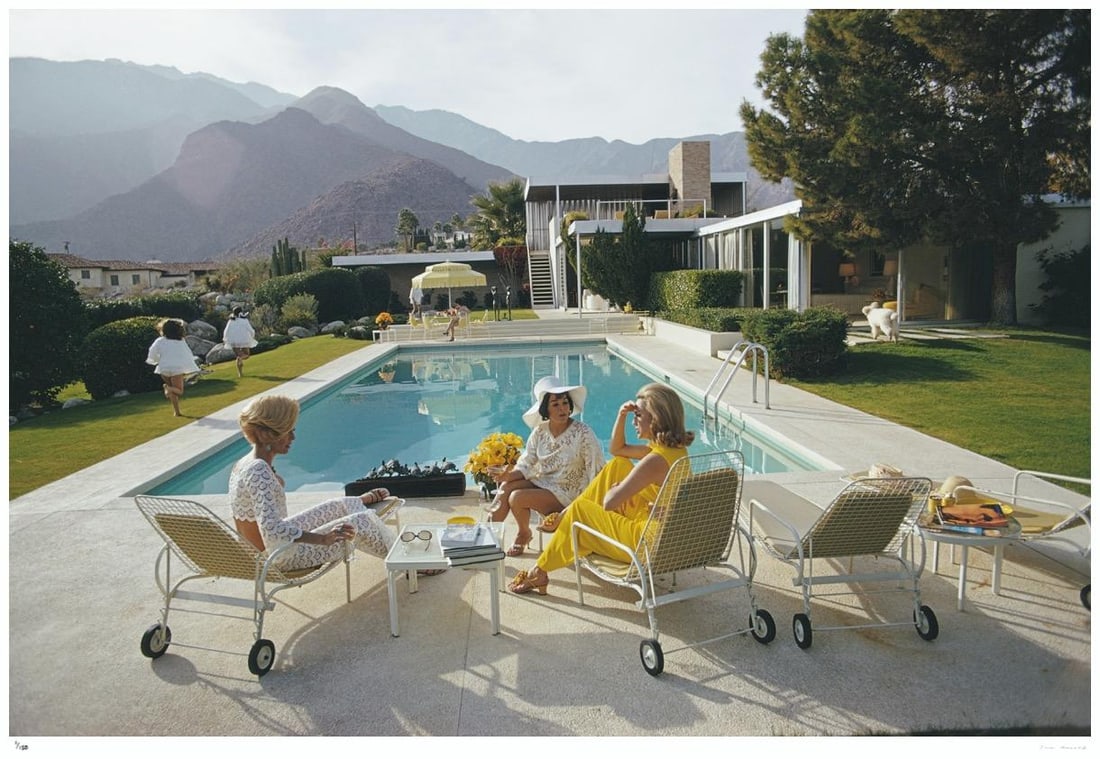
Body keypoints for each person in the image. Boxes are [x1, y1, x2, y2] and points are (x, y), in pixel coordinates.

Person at [508, 383, 694, 595]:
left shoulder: (654, 461)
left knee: (582, 511)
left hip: (644, 544)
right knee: (619, 464)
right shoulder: (674, 451)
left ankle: (539, 570)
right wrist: (621, 415)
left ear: (656, 419)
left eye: (638, 415)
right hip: (662, 531)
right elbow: (617, 451)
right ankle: (564, 516)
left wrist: (617, 489)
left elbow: (609, 502)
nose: (634, 420)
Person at [228, 394, 444, 575]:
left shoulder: (246, 463)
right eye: (288, 430)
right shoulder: (259, 471)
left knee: (338, 505)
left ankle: (357, 502)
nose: (293, 436)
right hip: (278, 558)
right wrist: (323, 539)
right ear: (269, 434)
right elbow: (272, 530)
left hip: (272, 549)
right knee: (362, 522)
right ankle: (410, 563)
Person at [488, 376, 605, 557]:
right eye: (555, 404)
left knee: (517, 497)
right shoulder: (540, 432)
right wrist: (507, 476)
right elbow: (527, 464)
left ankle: (523, 533)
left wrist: (583, 507)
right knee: (506, 487)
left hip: (569, 493)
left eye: (565, 403)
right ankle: (487, 540)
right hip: (544, 482)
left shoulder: (584, 433)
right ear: (545, 409)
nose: (563, 409)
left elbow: (597, 472)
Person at [146, 317, 201, 417]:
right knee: (179, 391)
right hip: (176, 369)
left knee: (173, 390)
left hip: (163, 368)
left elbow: (152, 352)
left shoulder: (160, 341)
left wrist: (157, 361)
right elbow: (186, 354)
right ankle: (168, 389)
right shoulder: (180, 341)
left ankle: (177, 411)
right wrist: (189, 366)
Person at [222, 307, 258, 377]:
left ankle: (240, 373)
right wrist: (252, 336)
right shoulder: (244, 321)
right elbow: (251, 330)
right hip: (244, 340)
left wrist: (225, 339)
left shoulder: (231, 321)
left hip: (233, 341)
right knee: (246, 355)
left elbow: (226, 331)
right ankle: (241, 359)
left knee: (238, 356)